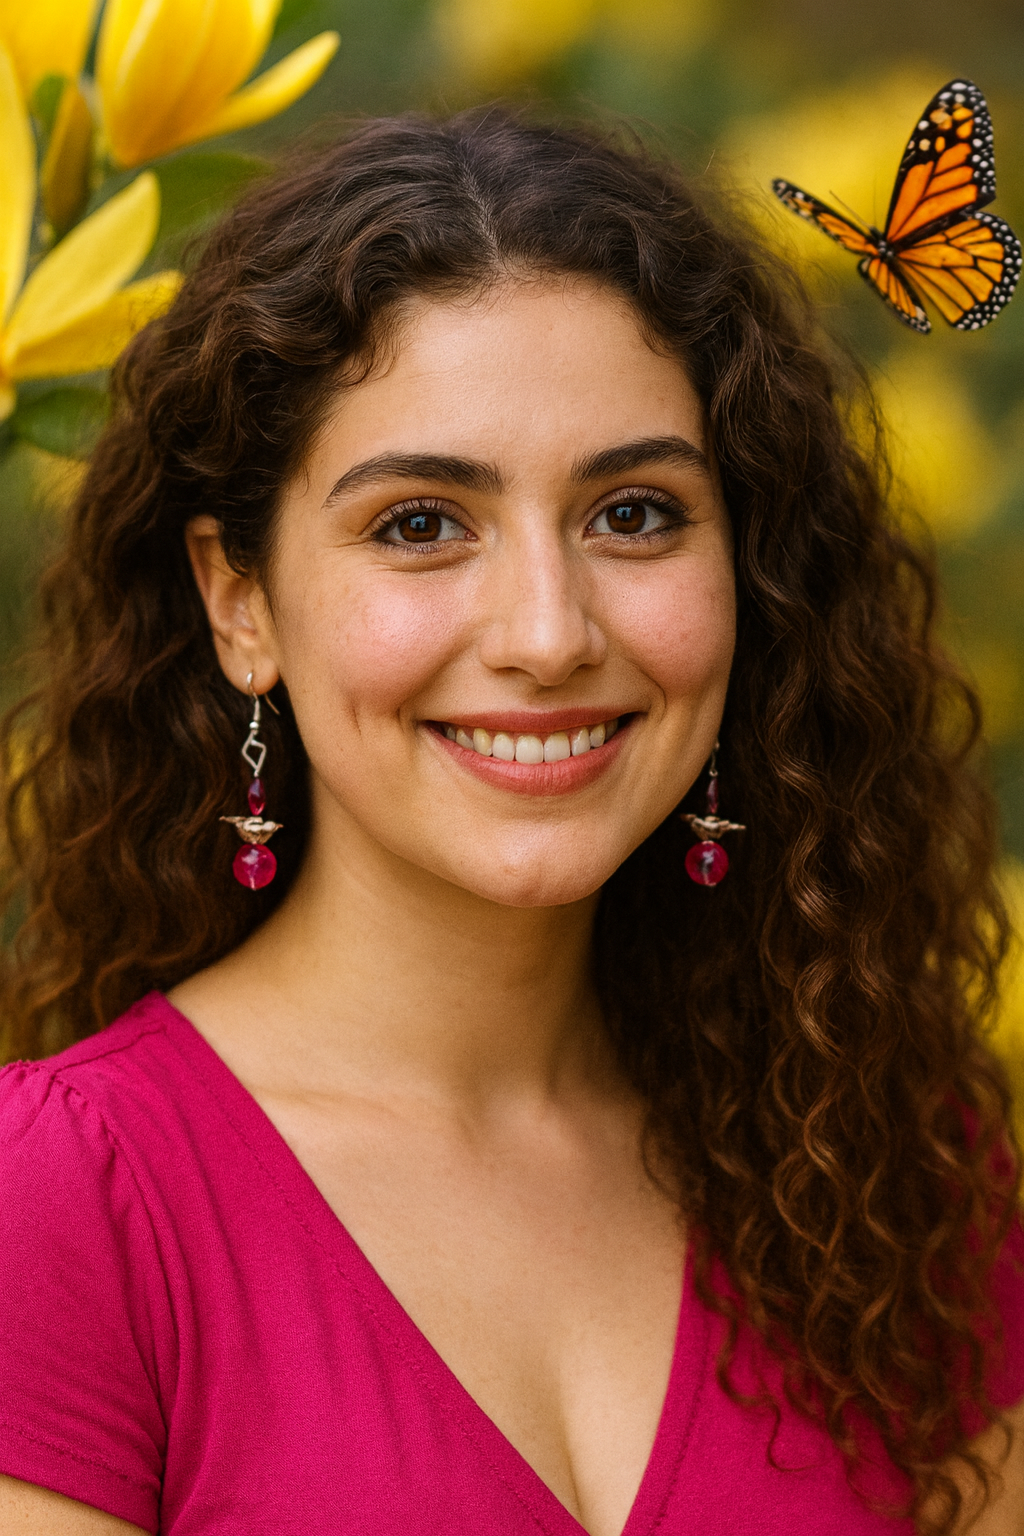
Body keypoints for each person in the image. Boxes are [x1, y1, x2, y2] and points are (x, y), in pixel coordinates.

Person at [0, 108, 1021, 1536]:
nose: (549, 634)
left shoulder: (884, 1164)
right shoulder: (67, 1204)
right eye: (422, 523)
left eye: (635, 514)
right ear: (241, 602)